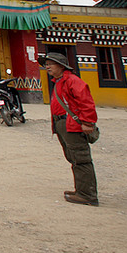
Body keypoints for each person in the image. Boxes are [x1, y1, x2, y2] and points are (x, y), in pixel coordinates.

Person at [39, 51, 99, 206]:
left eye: (50, 64)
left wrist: (88, 123)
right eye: (46, 64)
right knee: (73, 157)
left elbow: (86, 102)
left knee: (81, 158)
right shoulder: (60, 82)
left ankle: (87, 195)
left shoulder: (73, 81)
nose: (48, 67)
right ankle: (80, 190)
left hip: (72, 124)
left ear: (61, 66)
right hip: (63, 124)